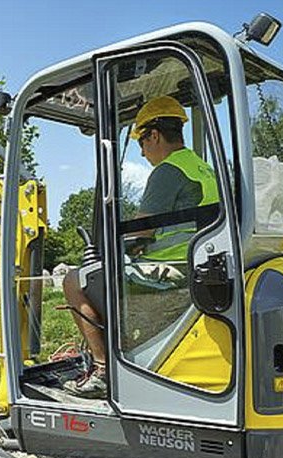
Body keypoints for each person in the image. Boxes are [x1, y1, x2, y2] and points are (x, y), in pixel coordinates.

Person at [62, 95, 219, 398]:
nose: (143, 152)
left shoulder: (168, 171)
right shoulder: (202, 167)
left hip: (174, 269)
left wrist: (110, 245)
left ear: (155, 135)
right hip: (194, 262)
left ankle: (103, 369)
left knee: (73, 281)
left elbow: (140, 229)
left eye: (141, 143)